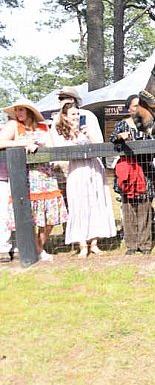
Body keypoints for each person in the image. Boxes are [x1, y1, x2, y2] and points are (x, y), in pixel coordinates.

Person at [0, 98, 68, 261]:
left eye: (21, 110)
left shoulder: (43, 127)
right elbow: (1, 141)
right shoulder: (13, 125)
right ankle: (35, 249)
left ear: (29, 111)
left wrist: (40, 146)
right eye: (16, 110)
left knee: (49, 215)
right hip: (25, 175)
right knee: (28, 212)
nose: (18, 113)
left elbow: (51, 148)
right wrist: (22, 143)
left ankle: (39, 244)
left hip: (46, 174)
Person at [52, 102, 116, 257]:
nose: (76, 117)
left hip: (93, 167)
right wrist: (73, 135)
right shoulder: (61, 132)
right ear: (65, 116)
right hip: (77, 170)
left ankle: (94, 243)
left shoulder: (85, 129)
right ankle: (82, 244)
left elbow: (98, 146)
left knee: (95, 203)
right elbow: (62, 150)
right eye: (73, 114)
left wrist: (88, 135)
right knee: (78, 205)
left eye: (78, 114)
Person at [110, 95, 155, 255]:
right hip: (127, 170)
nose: (138, 108)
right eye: (135, 105)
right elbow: (112, 141)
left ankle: (145, 244)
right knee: (128, 208)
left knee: (144, 207)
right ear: (128, 108)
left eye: (140, 105)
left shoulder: (148, 124)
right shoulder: (121, 125)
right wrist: (119, 138)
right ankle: (131, 244)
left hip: (145, 170)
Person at [0, 123, 14, 262]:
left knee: (13, 213)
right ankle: (3, 248)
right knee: (3, 214)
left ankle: (13, 245)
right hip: (2, 178)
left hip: (14, 176)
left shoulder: (7, 129)